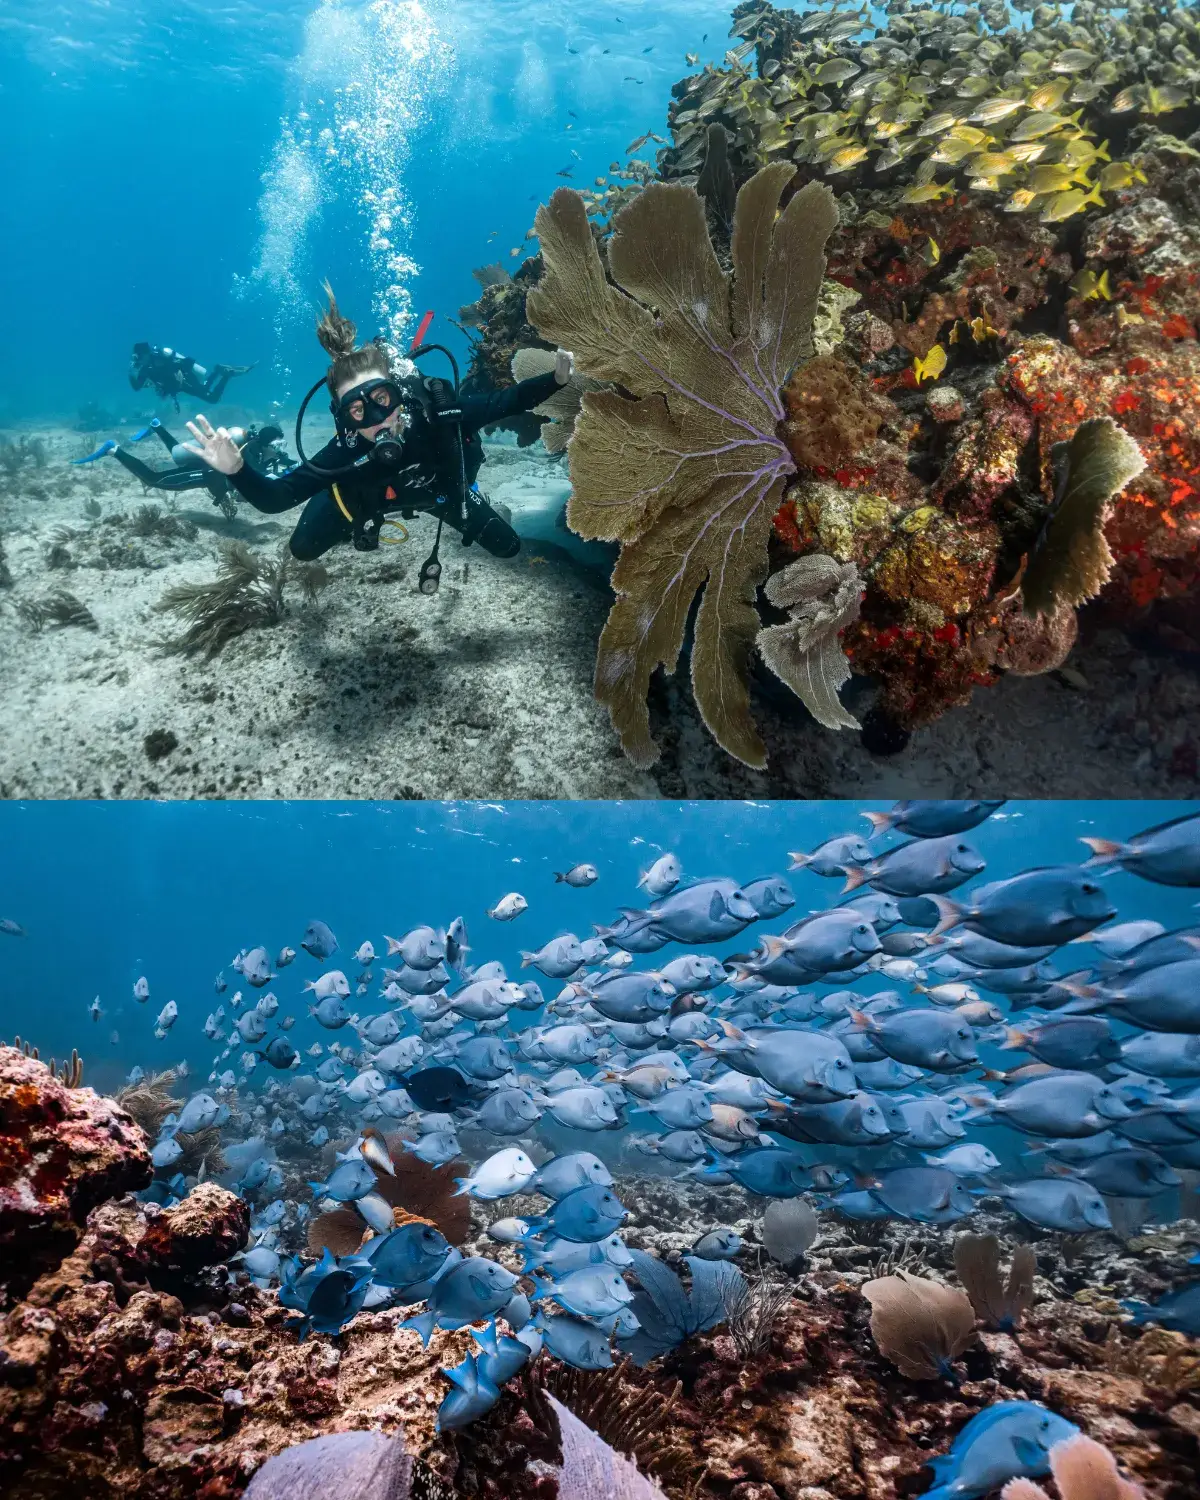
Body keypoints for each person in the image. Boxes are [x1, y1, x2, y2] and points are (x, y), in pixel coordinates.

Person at [180, 286, 571, 563]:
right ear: (343, 418)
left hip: (444, 494)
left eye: (382, 399)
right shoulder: (345, 450)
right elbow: (275, 499)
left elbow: (503, 401)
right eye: (357, 410)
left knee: (509, 548)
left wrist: (555, 379)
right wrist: (237, 470)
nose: (376, 418)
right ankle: (341, 505)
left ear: (398, 393)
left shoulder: (435, 416)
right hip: (361, 501)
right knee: (302, 549)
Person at [74, 419, 289, 512]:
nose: (281, 449)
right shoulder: (251, 452)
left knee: (178, 456)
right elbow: (252, 482)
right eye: (279, 444)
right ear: (267, 442)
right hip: (206, 473)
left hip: (209, 470)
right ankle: (114, 450)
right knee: (154, 480)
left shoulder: (262, 453)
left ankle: (157, 427)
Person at [129, 342, 255, 408]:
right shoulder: (145, 369)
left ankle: (225, 374)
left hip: (185, 380)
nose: (138, 359)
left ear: (145, 353)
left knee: (212, 398)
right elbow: (137, 387)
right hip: (181, 385)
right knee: (207, 391)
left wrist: (177, 375)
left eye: (139, 356)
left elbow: (184, 363)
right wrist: (131, 372)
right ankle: (218, 371)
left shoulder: (158, 358)